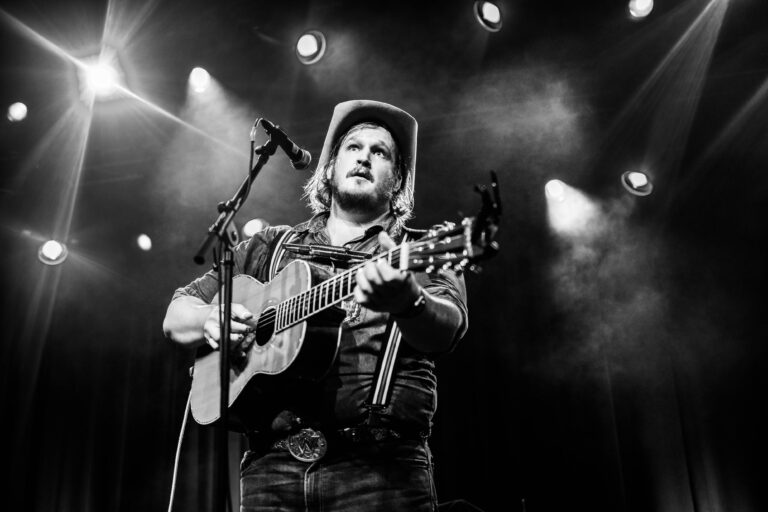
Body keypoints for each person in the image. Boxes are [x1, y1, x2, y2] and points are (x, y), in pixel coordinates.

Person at [163, 100, 468, 511]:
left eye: (380, 153)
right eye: (353, 147)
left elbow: (447, 329)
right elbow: (176, 314)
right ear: (329, 167)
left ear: (397, 182)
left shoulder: (417, 250)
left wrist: (410, 301)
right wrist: (209, 320)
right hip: (271, 468)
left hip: (381, 472)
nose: (364, 157)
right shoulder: (268, 245)